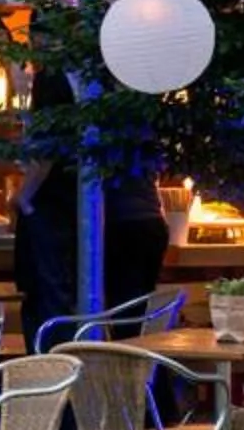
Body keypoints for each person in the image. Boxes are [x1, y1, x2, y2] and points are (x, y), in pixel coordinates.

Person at [16, 64, 173, 343]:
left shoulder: (98, 119)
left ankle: (125, 379)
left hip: (117, 223)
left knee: (122, 321)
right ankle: (142, 381)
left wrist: (24, 196)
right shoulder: (138, 112)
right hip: (149, 220)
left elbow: (49, 151)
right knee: (135, 322)